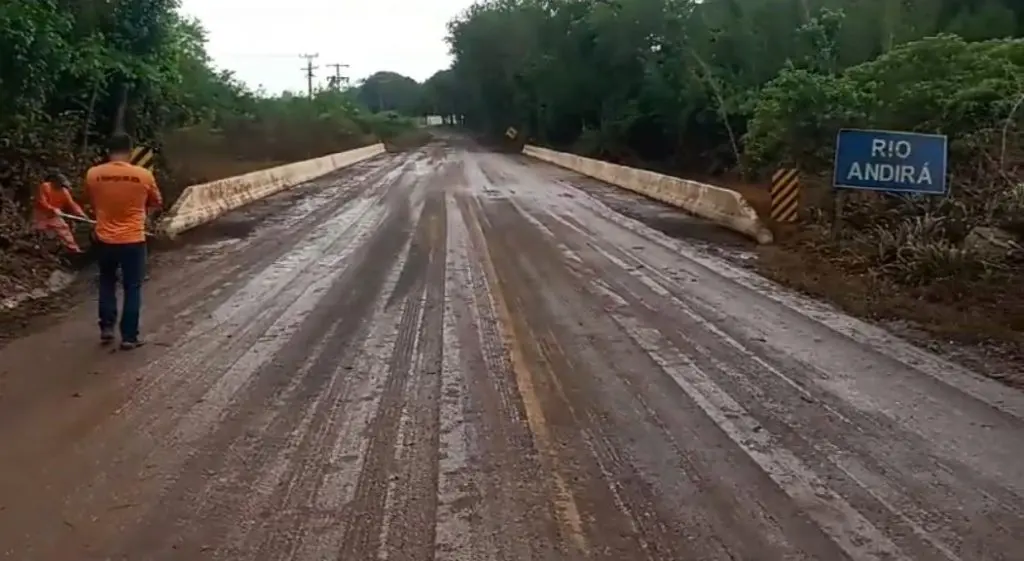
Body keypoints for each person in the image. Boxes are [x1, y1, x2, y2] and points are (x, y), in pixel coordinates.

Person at [84, 133, 163, 349]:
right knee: (132, 287)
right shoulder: (144, 175)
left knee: (107, 282)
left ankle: (106, 328)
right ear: (130, 151)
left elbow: (93, 201)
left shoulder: (93, 174)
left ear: (107, 151)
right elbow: (156, 203)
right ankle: (129, 337)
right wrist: (145, 218)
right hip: (133, 240)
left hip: (104, 239)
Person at [32, 172, 88, 254]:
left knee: (64, 229)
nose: (62, 187)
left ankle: (74, 250)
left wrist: (80, 213)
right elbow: (41, 201)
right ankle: (37, 247)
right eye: (60, 185)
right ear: (55, 182)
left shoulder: (64, 191)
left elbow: (72, 204)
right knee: (38, 231)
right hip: (41, 214)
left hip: (54, 216)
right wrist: (52, 208)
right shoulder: (45, 186)